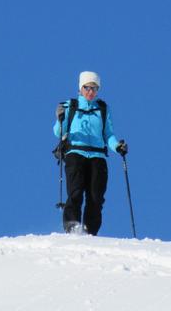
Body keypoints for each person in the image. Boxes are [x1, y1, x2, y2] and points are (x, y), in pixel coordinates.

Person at [53, 71, 128, 235]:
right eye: (87, 87)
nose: (91, 92)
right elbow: (59, 132)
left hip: (97, 157)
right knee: (76, 192)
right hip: (75, 154)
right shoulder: (69, 106)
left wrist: (117, 147)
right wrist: (60, 118)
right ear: (80, 88)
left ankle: (90, 231)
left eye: (94, 88)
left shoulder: (102, 109)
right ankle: (72, 226)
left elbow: (108, 134)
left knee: (96, 197)